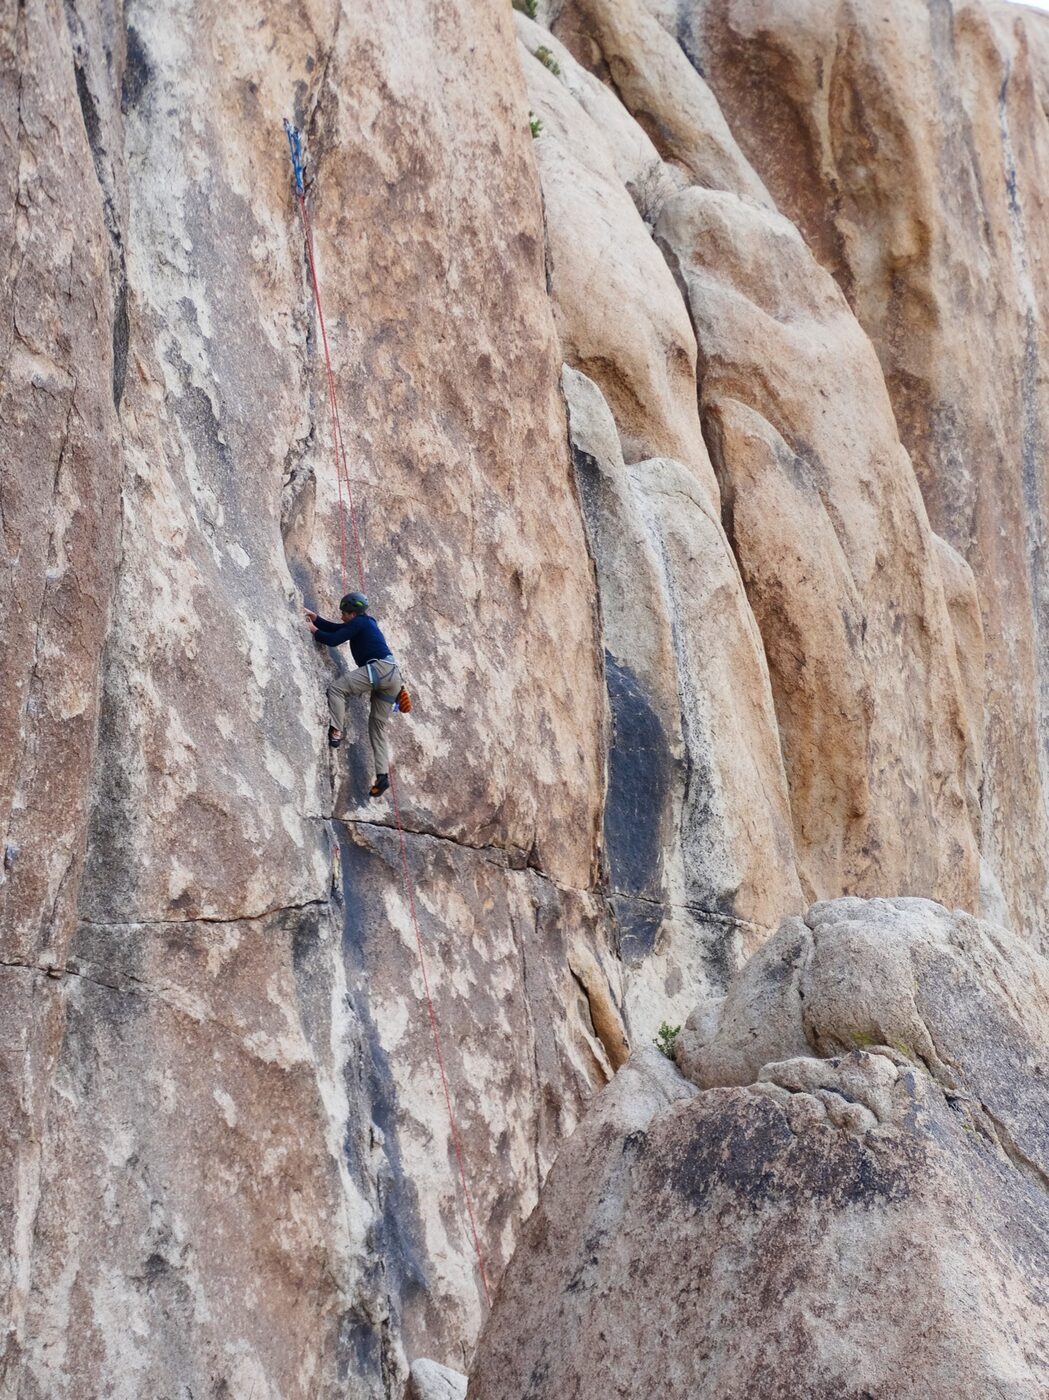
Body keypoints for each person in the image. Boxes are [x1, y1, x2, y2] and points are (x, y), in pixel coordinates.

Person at [304, 592, 404, 797]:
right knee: (377, 726)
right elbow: (340, 629)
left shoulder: (360, 623)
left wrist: (313, 630)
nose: (341, 616)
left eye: (343, 613)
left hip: (379, 670)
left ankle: (336, 731)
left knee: (337, 689)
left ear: (352, 613)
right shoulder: (365, 623)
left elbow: (333, 640)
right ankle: (382, 775)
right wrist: (316, 618)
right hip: (393, 676)